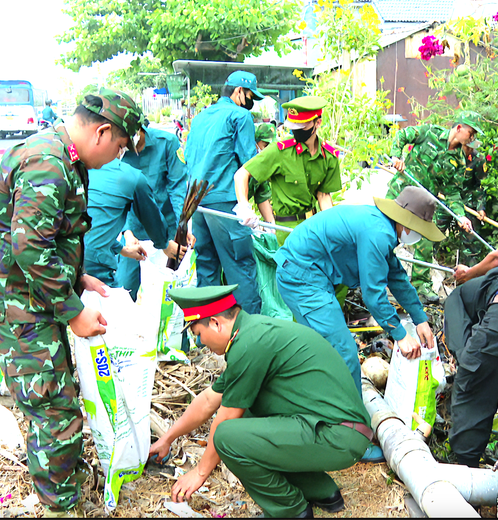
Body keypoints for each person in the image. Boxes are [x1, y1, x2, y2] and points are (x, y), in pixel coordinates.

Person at [0, 87, 144, 518]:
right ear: (101, 132)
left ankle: (64, 485)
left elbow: (43, 236)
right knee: (54, 409)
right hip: (11, 302)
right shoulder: (49, 161)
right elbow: (28, 248)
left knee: (57, 397)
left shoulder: (62, 156)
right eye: (119, 147)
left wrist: (76, 276)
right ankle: (60, 508)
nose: (117, 157)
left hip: (28, 295)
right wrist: (73, 311)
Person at [149, 285, 371, 518]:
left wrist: (199, 473)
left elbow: (225, 419)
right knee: (248, 419)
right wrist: (167, 439)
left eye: (199, 334)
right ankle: (320, 490)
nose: (201, 343)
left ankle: (290, 510)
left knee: (228, 436)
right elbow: (207, 400)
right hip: (339, 430)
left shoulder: (249, 344)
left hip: (339, 436)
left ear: (215, 323)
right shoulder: (251, 333)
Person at [275, 186, 443, 462]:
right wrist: (400, 334)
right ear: (407, 222)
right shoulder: (378, 233)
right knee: (343, 354)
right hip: (301, 275)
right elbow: (374, 294)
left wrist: (420, 318)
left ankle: (324, 415)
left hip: (313, 275)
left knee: (328, 350)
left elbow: (397, 277)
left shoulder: (381, 227)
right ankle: (352, 437)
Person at [184, 70, 264, 314]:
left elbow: (188, 157)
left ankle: (207, 331)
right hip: (225, 203)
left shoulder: (199, 118)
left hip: (196, 203)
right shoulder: (240, 116)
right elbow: (249, 163)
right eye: (251, 95)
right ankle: (251, 331)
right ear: (239, 92)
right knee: (240, 267)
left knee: (207, 266)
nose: (252, 102)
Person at [386, 111, 484, 303]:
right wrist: (397, 157)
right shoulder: (429, 132)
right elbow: (402, 136)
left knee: (425, 242)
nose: (472, 138)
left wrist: (460, 216)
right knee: (384, 233)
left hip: (423, 203)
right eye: (471, 133)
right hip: (401, 192)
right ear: (459, 128)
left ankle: (421, 286)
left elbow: (453, 193)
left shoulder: (459, 161)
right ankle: (378, 277)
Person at [235, 96, 342, 246]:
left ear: (318, 122)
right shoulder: (280, 152)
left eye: (302, 127)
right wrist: (244, 207)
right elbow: (242, 174)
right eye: (293, 126)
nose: (296, 131)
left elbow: (323, 196)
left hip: (314, 227)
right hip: (286, 231)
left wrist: (332, 229)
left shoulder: (328, 157)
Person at [117, 123, 189, 299]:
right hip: (133, 232)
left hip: (167, 228)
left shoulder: (167, 142)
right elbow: (117, 197)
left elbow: (177, 188)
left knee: (167, 291)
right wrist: (127, 232)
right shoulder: (117, 152)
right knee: (126, 288)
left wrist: (183, 225)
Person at [85, 158, 183, 287]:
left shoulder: (84, 169)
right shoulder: (128, 175)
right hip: (93, 266)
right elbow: (151, 217)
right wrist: (164, 243)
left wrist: (181, 223)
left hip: (83, 263)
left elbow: (95, 229)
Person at [444, 267, 498, 468]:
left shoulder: (457, 298)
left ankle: (467, 470)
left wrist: (468, 273)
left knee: (471, 389)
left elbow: (495, 257)